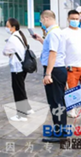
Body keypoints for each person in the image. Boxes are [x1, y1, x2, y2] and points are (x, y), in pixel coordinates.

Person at [32, 10, 67, 143]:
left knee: (56, 102)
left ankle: (60, 133)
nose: (41, 23)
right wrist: (41, 40)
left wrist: (48, 73)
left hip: (54, 70)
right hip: (58, 69)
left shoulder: (53, 34)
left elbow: (53, 53)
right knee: (57, 101)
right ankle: (59, 130)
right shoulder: (57, 32)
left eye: (41, 20)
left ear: (46, 18)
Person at [2, 18, 33, 122]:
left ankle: (21, 114)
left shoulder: (12, 38)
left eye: (7, 26)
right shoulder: (20, 35)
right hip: (22, 66)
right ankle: (27, 109)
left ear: (13, 27)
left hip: (17, 68)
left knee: (18, 90)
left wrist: (9, 51)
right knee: (21, 88)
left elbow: (5, 52)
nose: (6, 28)